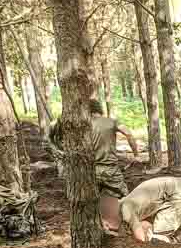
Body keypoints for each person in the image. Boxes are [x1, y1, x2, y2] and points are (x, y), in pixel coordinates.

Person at [49, 99, 138, 231]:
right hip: (110, 170)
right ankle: (127, 227)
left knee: (90, 199)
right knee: (125, 196)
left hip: (89, 170)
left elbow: (52, 127)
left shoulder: (82, 124)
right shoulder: (111, 122)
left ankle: (96, 225)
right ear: (99, 108)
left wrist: (58, 146)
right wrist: (135, 154)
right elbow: (128, 133)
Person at [111, 176, 181, 244]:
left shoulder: (125, 208)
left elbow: (140, 237)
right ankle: (178, 240)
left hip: (180, 194)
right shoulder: (129, 202)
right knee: (159, 230)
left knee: (157, 239)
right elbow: (145, 224)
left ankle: (173, 245)